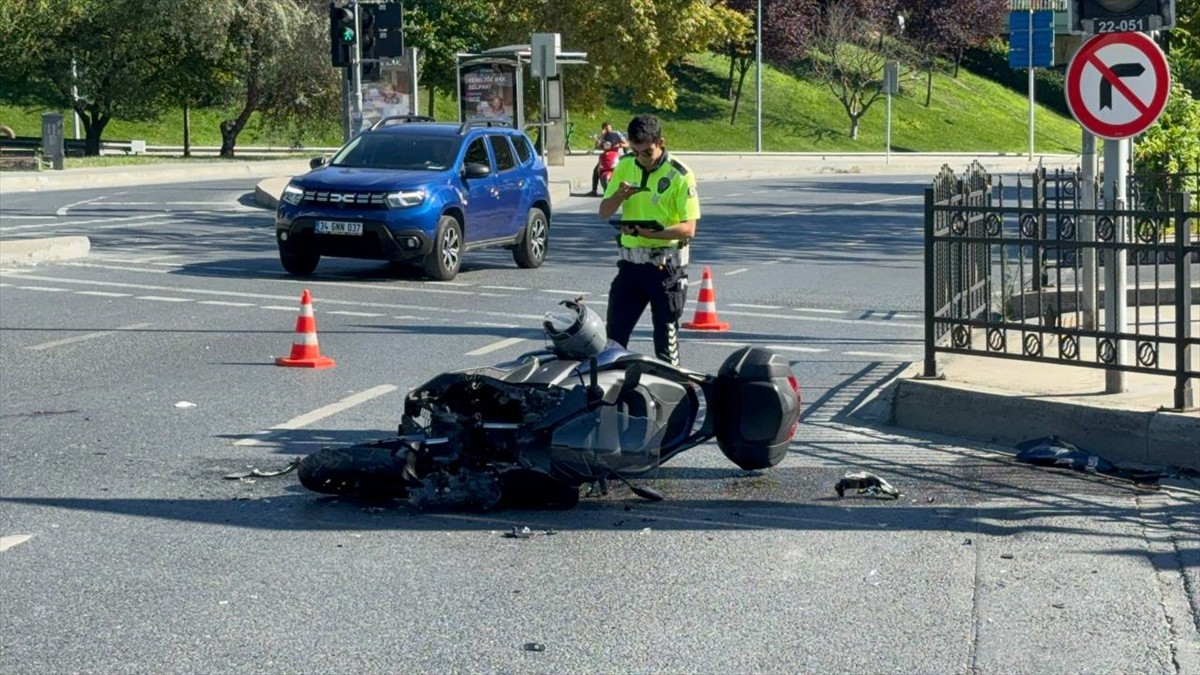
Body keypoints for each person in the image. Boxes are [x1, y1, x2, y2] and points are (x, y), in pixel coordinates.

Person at [597, 114, 699, 366]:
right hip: (631, 267)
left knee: (665, 345)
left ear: (660, 142)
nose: (642, 157)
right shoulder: (625, 165)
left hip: (665, 270)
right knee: (613, 342)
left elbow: (688, 228)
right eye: (636, 151)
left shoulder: (679, 174)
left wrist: (656, 234)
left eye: (647, 152)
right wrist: (619, 195)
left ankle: (680, 399)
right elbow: (604, 212)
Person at [588, 121, 627, 196]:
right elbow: (597, 145)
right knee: (596, 170)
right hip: (606, 157)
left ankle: (626, 186)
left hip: (617, 156)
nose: (608, 129)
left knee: (623, 168)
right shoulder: (603, 136)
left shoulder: (616, 134)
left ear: (611, 127)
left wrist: (619, 145)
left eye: (608, 127)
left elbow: (626, 144)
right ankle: (594, 190)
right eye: (605, 128)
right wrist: (601, 137)